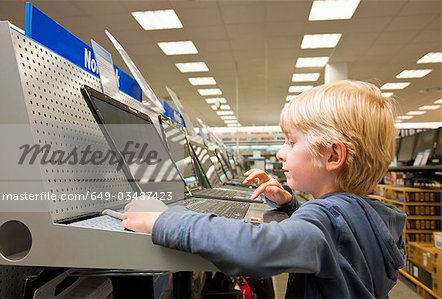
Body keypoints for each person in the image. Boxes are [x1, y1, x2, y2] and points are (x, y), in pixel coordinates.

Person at [122, 80, 406, 298]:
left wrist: (161, 220)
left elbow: (256, 249)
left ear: (333, 156)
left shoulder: (324, 220)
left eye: (291, 142)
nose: (281, 154)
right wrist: (290, 205)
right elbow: (336, 240)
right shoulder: (373, 214)